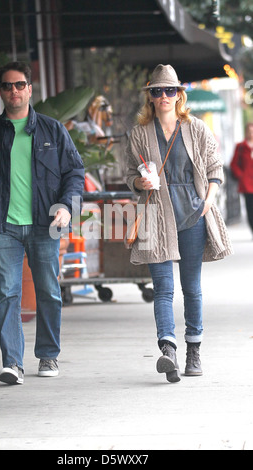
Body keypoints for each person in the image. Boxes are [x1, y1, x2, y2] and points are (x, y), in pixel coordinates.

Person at [0, 61, 85, 385]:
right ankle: (12, 362)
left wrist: (67, 208)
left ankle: (48, 355)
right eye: (7, 86)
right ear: (0, 91)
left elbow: (74, 173)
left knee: (49, 292)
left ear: (29, 88)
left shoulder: (53, 130)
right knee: (8, 295)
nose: (14, 91)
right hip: (3, 227)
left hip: (45, 224)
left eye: (20, 85)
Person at [125, 64, 232, 383]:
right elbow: (129, 174)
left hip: (192, 213)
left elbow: (215, 168)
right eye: (157, 91)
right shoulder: (140, 133)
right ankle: (168, 348)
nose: (164, 96)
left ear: (179, 95)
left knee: (191, 287)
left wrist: (208, 201)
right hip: (156, 214)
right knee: (163, 288)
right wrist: (139, 184)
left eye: (170, 90)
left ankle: (194, 349)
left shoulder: (196, 128)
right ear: (150, 97)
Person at [230, 122, 253, 236]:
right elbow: (233, 164)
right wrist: (241, 175)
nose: (251, 133)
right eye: (249, 131)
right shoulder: (241, 147)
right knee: (250, 209)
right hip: (247, 184)